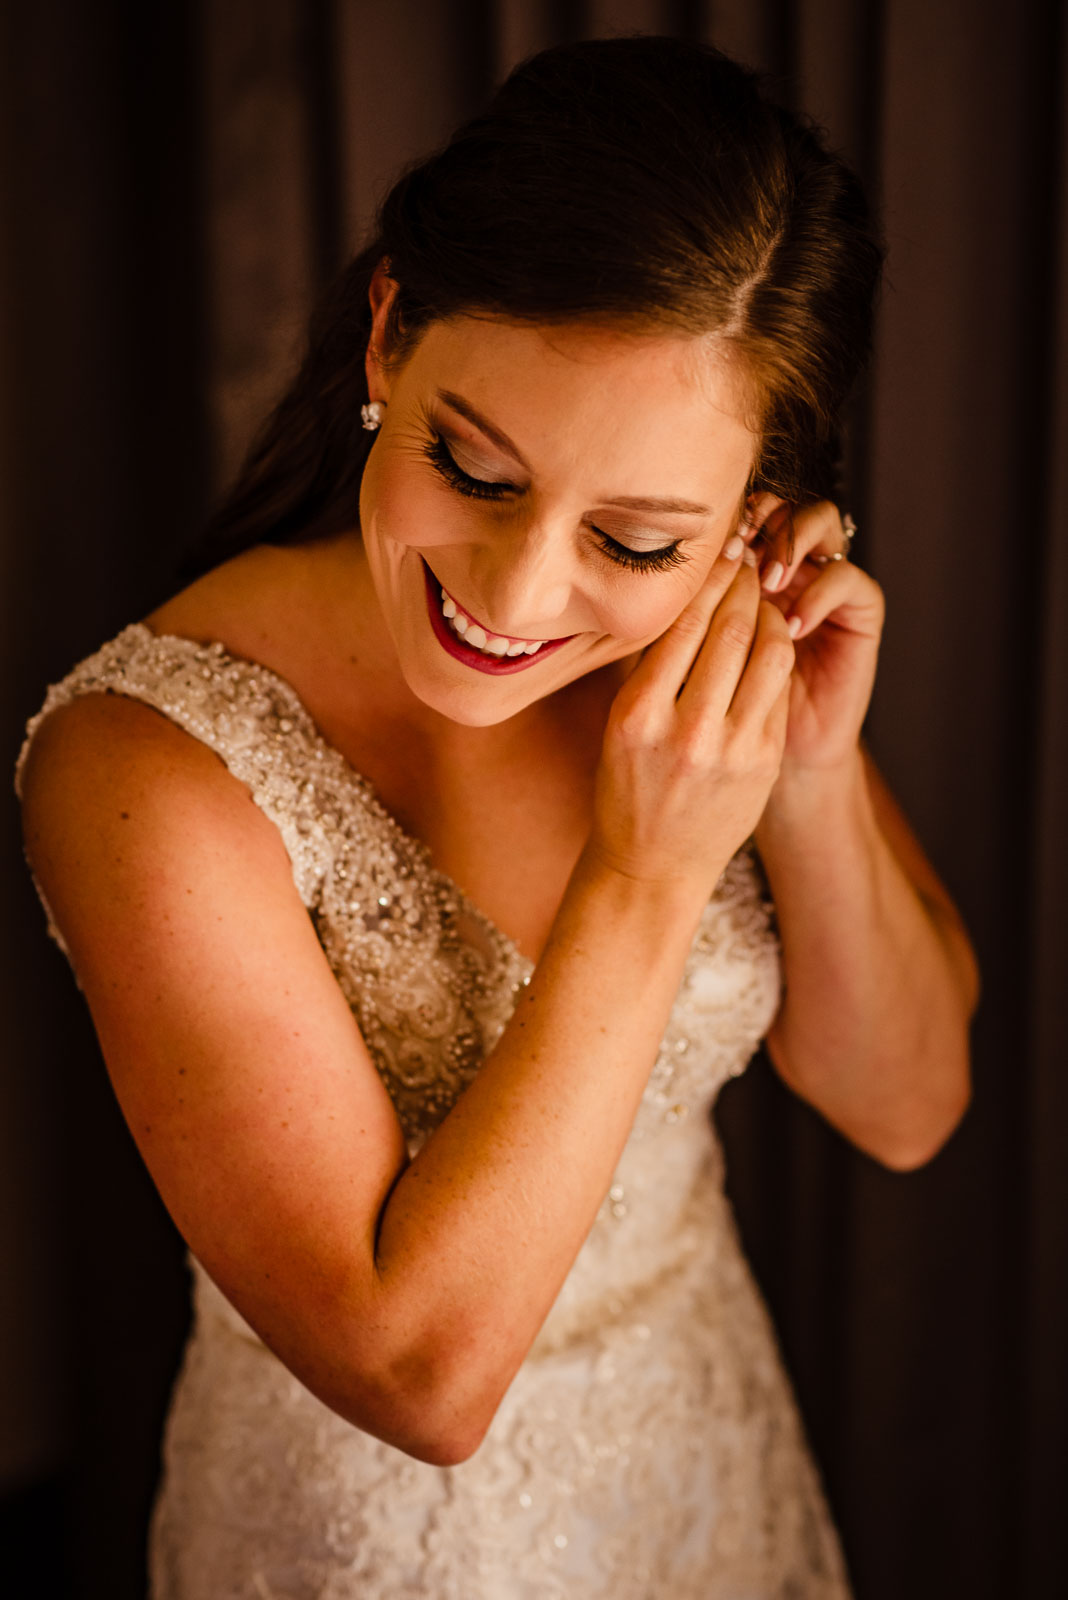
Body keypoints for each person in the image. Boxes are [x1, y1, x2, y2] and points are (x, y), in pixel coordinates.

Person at [16, 34, 978, 1600]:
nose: (516, 596)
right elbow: (418, 1380)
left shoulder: (695, 672)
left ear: (748, 519)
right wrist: (649, 878)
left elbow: (909, 1104)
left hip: (700, 1480)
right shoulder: (146, 765)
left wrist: (803, 772)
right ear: (389, 334)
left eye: (637, 538)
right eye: (476, 467)